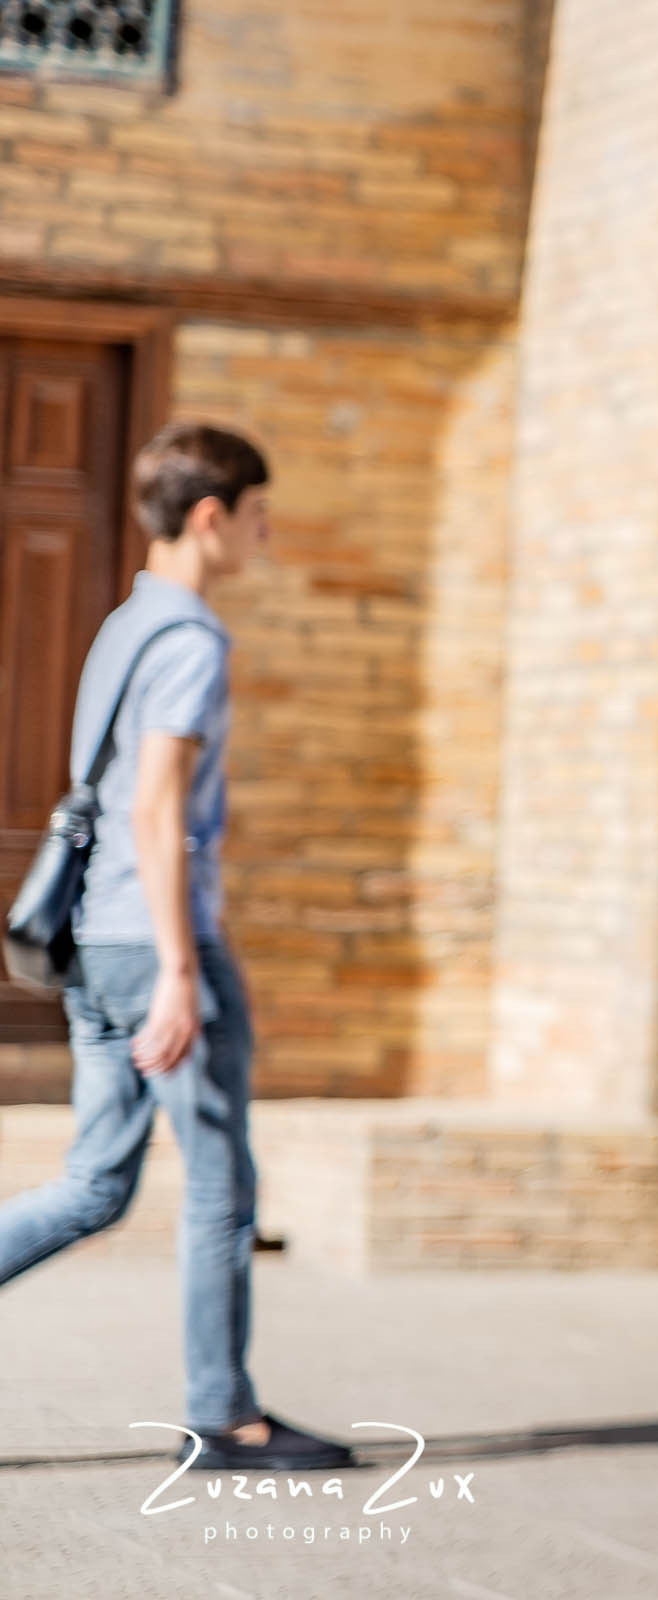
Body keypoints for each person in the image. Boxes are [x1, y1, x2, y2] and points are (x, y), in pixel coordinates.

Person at [0, 422, 352, 1473]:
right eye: (256, 515)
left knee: (98, 1184)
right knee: (218, 1183)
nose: (265, 533)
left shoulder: (124, 626)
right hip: (156, 943)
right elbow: (155, 810)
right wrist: (184, 974)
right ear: (212, 516)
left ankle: (224, 1400)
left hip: (98, 940)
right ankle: (226, 1414)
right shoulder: (191, 638)